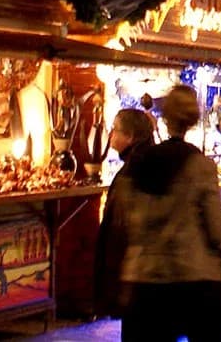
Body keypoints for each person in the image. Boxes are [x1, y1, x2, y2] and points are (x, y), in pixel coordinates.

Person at [114, 86, 221, 342]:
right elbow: (216, 228)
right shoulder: (200, 166)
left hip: (144, 277)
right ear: (193, 119)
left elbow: (126, 220)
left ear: (165, 118)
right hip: (192, 277)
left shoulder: (138, 164)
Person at [95, 109, 157, 319]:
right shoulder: (145, 163)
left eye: (115, 130)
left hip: (137, 274)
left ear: (129, 137)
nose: (111, 135)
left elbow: (121, 229)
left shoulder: (133, 171)